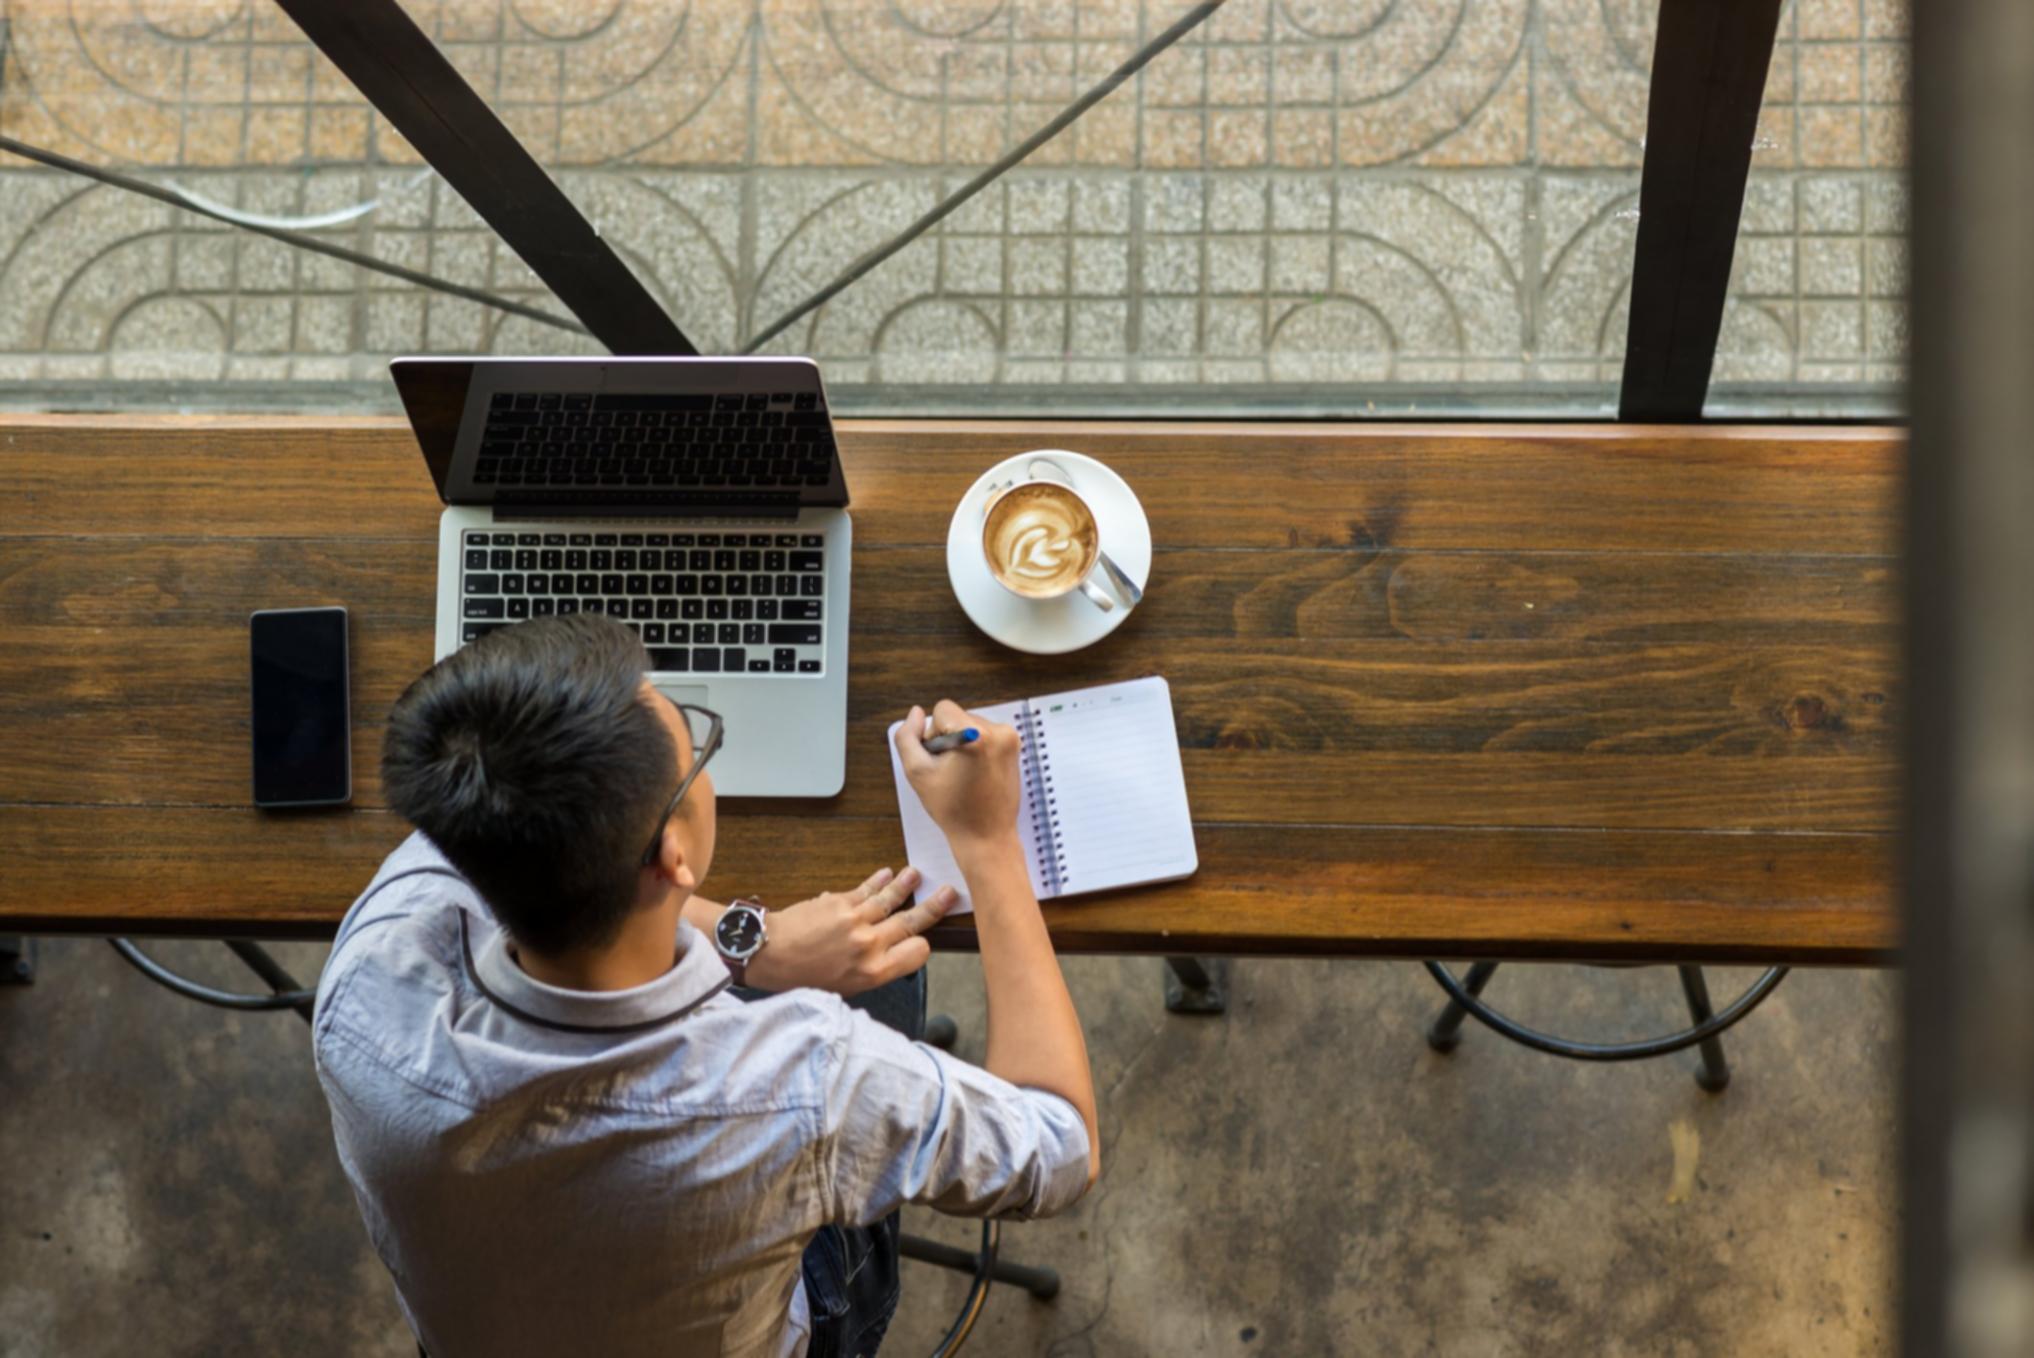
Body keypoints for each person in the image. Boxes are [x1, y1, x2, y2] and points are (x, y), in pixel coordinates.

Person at [312, 613, 1100, 1357]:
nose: (698, 747)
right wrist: (989, 842)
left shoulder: (370, 969)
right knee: (889, 993)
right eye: (696, 745)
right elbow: (1062, 1149)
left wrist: (752, 944)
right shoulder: (806, 1079)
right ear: (674, 859)